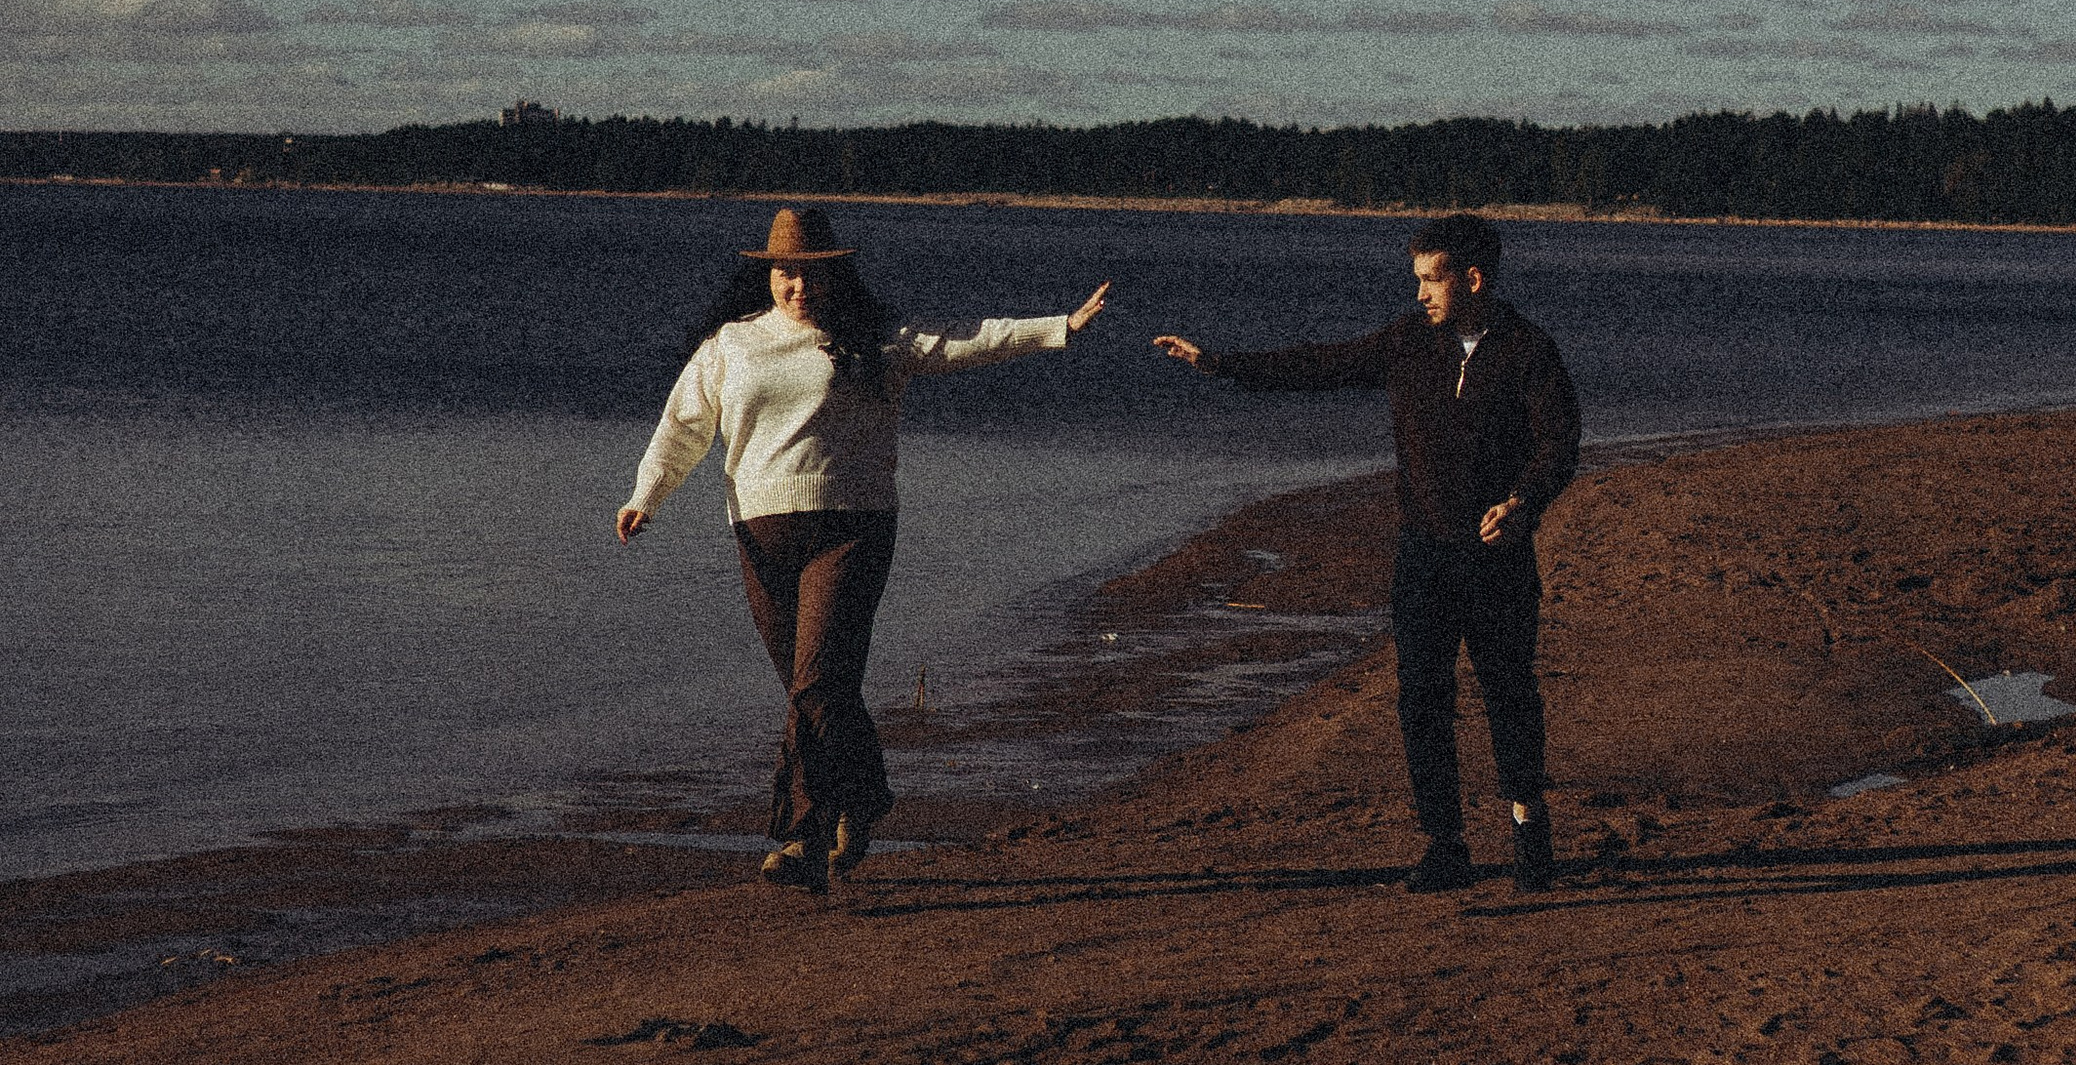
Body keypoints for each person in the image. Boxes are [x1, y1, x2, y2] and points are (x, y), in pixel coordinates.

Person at [618, 205, 1109, 900]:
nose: (798, 287)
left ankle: (804, 839)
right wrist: (647, 495)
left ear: (836, 276)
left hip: (853, 529)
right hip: (760, 535)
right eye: (786, 274)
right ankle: (864, 796)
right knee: (814, 688)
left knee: (817, 684)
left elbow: (967, 340)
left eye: (812, 275)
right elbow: (684, 425)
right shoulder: (732, 343)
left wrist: (1060, 326)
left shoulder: (875, 340)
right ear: (769, 275)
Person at [1155, 213, 1579, 892]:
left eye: (1431, 279)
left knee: (1509, 694)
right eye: (1417, 280)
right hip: (1423, 556)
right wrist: (1218, 363)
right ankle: (1446, 845)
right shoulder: (1408, 342)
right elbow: (1320, 364)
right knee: (1422, 699)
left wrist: (1523, 501)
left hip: (1497, 559)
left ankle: (1530, 832)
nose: (1420, 294)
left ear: (1472, 279)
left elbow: (1559, 443)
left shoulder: (1528, 350)